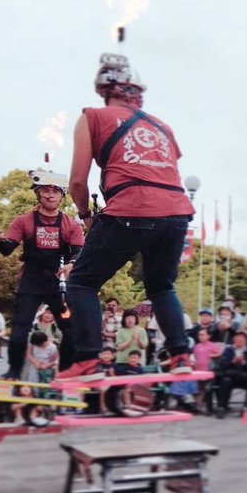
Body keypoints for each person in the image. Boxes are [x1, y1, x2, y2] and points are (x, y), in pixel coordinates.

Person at [58, 51, 196, 379]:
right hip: (177, 212)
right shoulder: (163, 126)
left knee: (81, 282)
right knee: (161, 286)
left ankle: (89, 358)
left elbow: (78, 181)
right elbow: (166, 171)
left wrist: (85, 213)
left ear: (103, 90)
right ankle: (180, 356)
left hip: (131, 208)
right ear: (137, 91)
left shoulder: (92, 117)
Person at [0, 169, 84, 379]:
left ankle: (66, 372)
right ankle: (13, 371)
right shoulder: (24, 221)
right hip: (31, 281)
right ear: (38, 194)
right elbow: (7, 249)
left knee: (73, 330)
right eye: (45, 190)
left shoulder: (71, 225)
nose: (50, 195)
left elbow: (79, 251)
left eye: (54, 191)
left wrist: (71, 264)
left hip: (58, 282)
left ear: (62, 195)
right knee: (20, 329)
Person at [213, 332, 247, 419]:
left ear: (245, 341)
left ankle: (246, 407)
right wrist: (233, 361)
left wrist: (244, 363)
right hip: (231, 377)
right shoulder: (228, 350)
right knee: (226, 381)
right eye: (237, 338)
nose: (239, 340)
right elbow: (222, 365)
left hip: (244, 377)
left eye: (242, 339)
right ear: (234, 340)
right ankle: (221, 407)